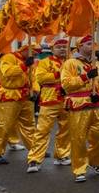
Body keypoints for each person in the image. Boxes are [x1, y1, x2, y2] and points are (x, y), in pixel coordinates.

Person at [60, 35, 99, 183]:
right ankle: (79, 169)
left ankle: (95, 162)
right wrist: (85, 76)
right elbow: (66, 84)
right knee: (78, 138)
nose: (92, 46)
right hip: (78, 105)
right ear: (80, 46)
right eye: (88, 44)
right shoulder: (70, 63)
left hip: (97, 104)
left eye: (93, 44)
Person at [29, 37, 71, 169]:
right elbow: (40, 78)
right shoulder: (44, 62)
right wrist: (61, 74)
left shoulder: (71, 62)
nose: (62, 49)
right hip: (49, 99)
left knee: (66, 130)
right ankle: (35, 159)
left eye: (65, 47)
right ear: (52, 50)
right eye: (59, 47)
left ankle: (62, 155)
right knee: (42, 130)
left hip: (67, 100)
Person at [0, 42, 37, 165]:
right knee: (5, 125)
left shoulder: (30, 61)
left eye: (37, 53)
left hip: (26, 96)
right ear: (26, 49)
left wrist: (36, 90)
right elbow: (8, 73)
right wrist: (23, 65)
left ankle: (35, 150)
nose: (36, 55)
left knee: (29, 124)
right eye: (34, 52)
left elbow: (33, 77)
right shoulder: (8, 58)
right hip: (10, 95)